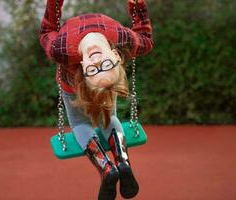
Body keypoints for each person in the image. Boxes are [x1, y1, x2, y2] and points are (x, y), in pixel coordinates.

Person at [39, 0, 153, 199]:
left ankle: (106, 168)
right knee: (108, 116)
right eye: (106, 65)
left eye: (93, 69)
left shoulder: (61, 49)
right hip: (88, 87)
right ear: (116, 54)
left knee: (79, 123)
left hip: (72, 88)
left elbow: (46, 31)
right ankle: (122, 161)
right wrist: (139, 6)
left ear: (84, 67)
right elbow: (146, 39)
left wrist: (54, 3)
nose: (97, 62)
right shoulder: (123, 39)